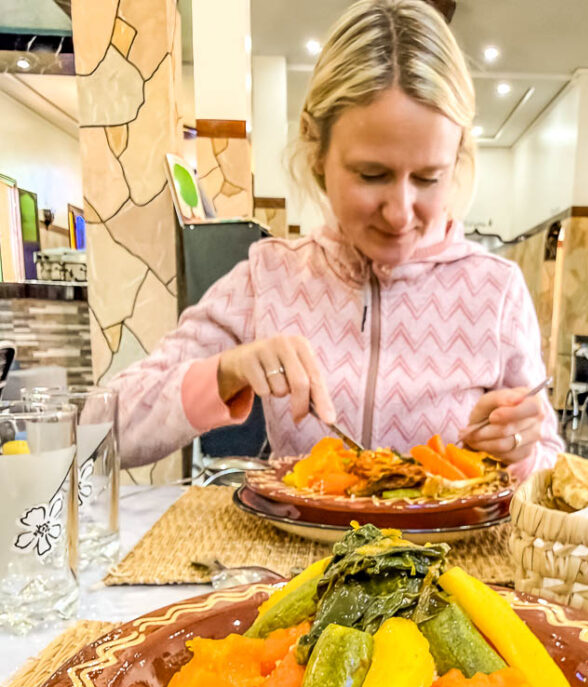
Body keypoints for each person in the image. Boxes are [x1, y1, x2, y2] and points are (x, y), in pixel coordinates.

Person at [111, 0, 563, 478]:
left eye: (429, 178)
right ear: (316, 154)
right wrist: (225, 371)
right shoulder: (270, 277)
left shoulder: (496, 291)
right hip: (295, 554)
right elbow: (109, 428)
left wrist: (521, 451)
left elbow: (551, 466)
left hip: (447, 554)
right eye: (372, 174)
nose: (400, 213)